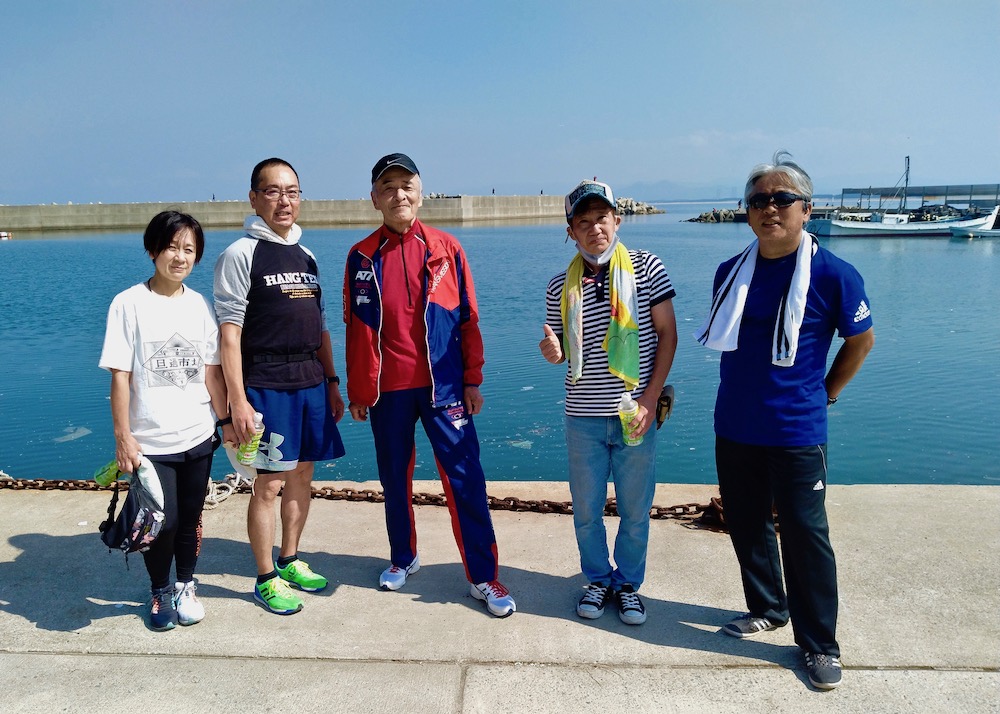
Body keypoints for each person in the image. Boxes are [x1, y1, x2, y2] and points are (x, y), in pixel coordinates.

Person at [695, 151, 874, 690]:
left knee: (804, 535)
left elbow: (860, 341)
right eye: (758, 200)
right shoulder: (731, 272)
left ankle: (819, 644)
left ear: (806, 209)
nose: (769, 208)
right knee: (747, 523)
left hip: (797, 429)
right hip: (735, 424)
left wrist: (826, 394)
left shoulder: (835, 274)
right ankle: (768, 607)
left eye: (782, 198)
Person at [343, 153, 515, 618]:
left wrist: (473, 379)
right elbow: (354, 327)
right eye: (388, 187)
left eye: (407, 185)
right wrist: (359, 390)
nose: (398, 194)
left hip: (446, 388)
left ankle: (483, 576)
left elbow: (468, 319)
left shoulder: (446, 248)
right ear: (375, 198)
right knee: (393, 479)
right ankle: (403, 557)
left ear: (421, 193)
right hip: (387, 391)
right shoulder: (361, 256)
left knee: (465, 479)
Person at [539, 180, 677, 625]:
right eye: (583, 221)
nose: (594, 227)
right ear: (571, 232)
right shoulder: (559, 286)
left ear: (617, 220)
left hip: (634, 414)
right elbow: (562, 350)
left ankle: (628, 585)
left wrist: (649, 401)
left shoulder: (647, 268)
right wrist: (553, 352)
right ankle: (598, 580)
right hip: (582, 417)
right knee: (586, 511)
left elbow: (667, 335)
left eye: (602, 217)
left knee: (636, 510)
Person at [214, 158, 346, 616]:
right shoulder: (241, 254)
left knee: (303, 475)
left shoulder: (307, 256)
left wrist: (332, 381)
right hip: (266, 386)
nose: (284, 201)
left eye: (292, 191)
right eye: (272, 191)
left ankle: (290, 559)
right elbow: (229, 335)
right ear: (254, 198)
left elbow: (321, 326)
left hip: (310, 383)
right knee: (268, 484)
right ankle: (265, 577)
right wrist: (237, 402)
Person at [99, 210, 232, 631]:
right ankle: (159, 590)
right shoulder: (128, 304)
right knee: (162, 521)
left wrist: (226, 421)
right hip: (150, 442)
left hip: (198, 435)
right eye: (172, 247)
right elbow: (120, 376)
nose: (180, 257)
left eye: (189, 250)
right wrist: (123, 437)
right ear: (153, 250)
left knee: (190, 519)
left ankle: (185, 586)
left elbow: (212, 372)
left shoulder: (200, 306)